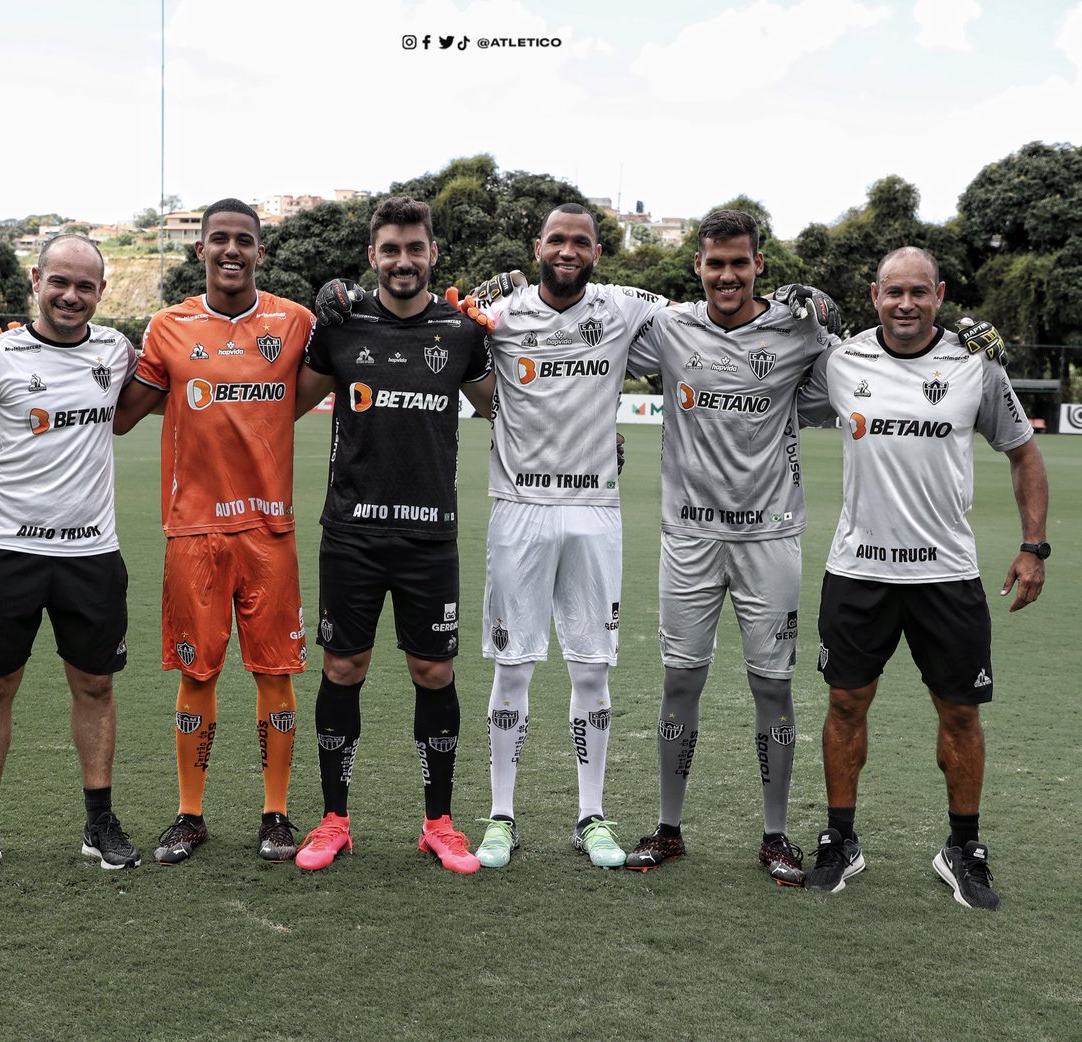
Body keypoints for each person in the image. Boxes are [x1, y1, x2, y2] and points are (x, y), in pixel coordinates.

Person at [797, 246, 1048, 909]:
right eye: (892, 292)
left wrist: (1034, 547)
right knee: (846, 705)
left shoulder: (975, 365)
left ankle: (962, 847)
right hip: (857, 570)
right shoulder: (841, 361)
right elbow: (769, 384)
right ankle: (840, 838)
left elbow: (1023, 452)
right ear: (873, 295)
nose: (905, 303)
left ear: (939, 295)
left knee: (961, 713)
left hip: (946, 573)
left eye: (918, 292)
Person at [620, 210, 839, 883]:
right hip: (688, 536)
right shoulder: (670, 328)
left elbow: (861, 372)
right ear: (697, 267)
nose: (726, 276)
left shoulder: (800, 330)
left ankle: (775, 835)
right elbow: (584, 346)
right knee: (680, 681)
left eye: (738, 263)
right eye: (715, 263)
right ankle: (668, 828)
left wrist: (834, 317)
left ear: (759, 266)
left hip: (769, 538)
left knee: (772, 688)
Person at [0, 234, 141, 881]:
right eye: (60, 281)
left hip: (92, 555)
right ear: (36, 279)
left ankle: (99, 823)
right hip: (6, 552)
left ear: (101, 291)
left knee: (95, 685)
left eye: (86, 285)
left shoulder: (118, 351)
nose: (72, 295)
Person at [291, 196, 494, 874]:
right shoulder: (342, 327)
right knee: (343, 668)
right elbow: (285, 404)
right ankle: (333, 821)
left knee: (432, 671)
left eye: (414, 248)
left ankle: (439, 824)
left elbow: (507, 410)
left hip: (430, 537)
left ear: (433, 253)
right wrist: (316, 317)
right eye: (390, 249)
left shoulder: (462, 333)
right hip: (351, 533)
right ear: (372, 256)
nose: (402, 261)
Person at [115, 199, 318, 865]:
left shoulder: (295, 323)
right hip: (193, 531)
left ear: (261, 251)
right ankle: (190, 814)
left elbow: (319, 386)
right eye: (219, 240)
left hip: (269, 529)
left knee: (276, 675)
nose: (232, 250)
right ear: (199, 249)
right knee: (197, 674)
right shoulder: (168, 328)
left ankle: (277, 814)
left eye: (245, 241)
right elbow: (121, 416)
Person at [473, 203, 674, 869]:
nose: (568, 250)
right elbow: (456, 349)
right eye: (556, 239)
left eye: (580, 241)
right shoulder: (501, 314)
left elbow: (693, 319)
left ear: (596, 250)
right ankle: (501, 815)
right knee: (513, 667)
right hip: (519, 509)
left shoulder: (621, 307)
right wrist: (475, 298)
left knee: (591, 670)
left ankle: (591, 814)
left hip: (593, 511)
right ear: (537, 246)